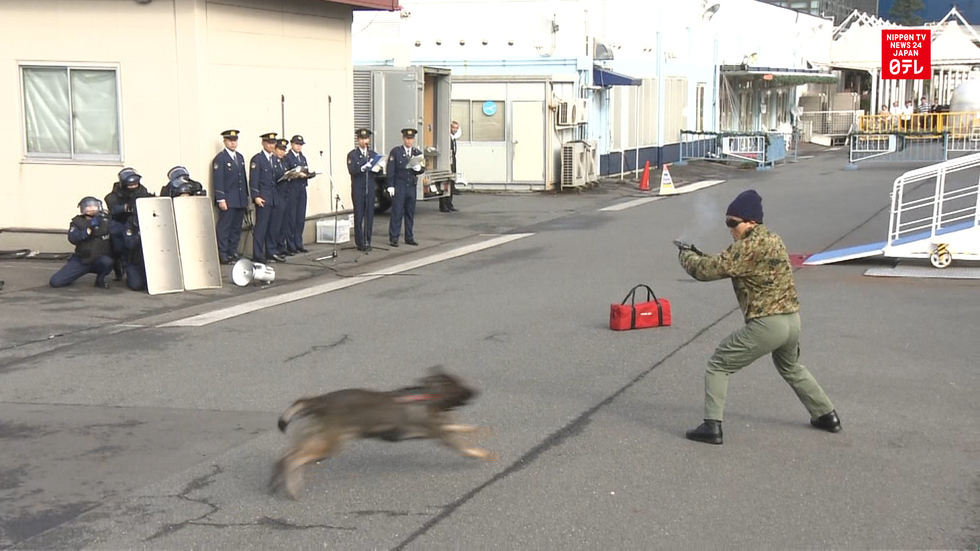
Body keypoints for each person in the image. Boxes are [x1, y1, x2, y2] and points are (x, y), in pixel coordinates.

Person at [677, 189, 841, 445]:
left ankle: (712, 426)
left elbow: (705, 271)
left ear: (751, 222)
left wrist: (686, 255)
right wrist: (701, 254)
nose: (730, 229)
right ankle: (826, 415)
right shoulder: (773, 239)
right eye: (727, 223)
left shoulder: (747, 247)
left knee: (718, 364)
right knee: (791, 366)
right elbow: (728, 262)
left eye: (733, 223)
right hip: (791, 321)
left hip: (768, 324)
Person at [49, 197, 114, 289]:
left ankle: (101, 279)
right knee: (55, 282)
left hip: (99, 259)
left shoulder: (106, 220)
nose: (91, 209)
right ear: (83, 209)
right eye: (88, 207)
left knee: (107, 262)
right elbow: (73, 238)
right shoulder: (77, 222)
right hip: (82, 259)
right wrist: (88, 230)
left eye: (94, 206)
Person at [105, 167, 152, 280]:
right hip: (119, 223)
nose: (133, 187)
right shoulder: (113, 196)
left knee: (136, 247)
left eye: (135, 184)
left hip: (137, 222)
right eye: (130, 185)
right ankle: (118, 268)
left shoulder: (142, 191)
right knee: (118, 248)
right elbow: (113, 209)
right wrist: (126, 207)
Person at [212, 129, 249, 265]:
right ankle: (223, 253)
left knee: (236, 228)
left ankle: (233, 251)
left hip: (239, 199)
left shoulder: (239, 157)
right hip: (228, 199)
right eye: (230, 140)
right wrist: (221, 198)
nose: (233, 143)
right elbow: (218, 180)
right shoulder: (220, 159)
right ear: (225, 141)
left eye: (235, 140)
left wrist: (245, 198)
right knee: (225, 227)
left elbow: (243, 180)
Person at [249, 132, 286, 263]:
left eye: (273, 143)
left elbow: (278, 178)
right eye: (269, 143)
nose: (271, 145)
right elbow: (254, 180)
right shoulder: (257, 159)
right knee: (261, 227)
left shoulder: (275, 159)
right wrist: (256, 196)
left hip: (274, 197)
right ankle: (257, 254)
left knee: (273, 227)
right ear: (263, 143)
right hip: (263, 197)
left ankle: (271, 251)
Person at [387, 128, 425, 247]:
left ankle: (409, 236)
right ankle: (394, 237)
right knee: (397, 212)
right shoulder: (396, 152)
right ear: (403, 139)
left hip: (411, 186)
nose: (409, 141)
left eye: (411, 139)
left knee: (410, 212)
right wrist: (390, 185)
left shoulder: (417, 153)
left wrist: (419, 169)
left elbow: (423, 168)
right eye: (407, 138)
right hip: (400, 185)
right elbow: (390, 170)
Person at [347, 128, 380, 252]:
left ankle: (368, 240)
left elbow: (378, 171)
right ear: (358, 140)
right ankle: (360, 242)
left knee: (369, 215)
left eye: (366, 138)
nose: (364, 141)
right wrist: (362, 168)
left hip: (370, 187)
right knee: (359, 215)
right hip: (358, 188)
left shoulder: (372, 154)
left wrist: (377, 168)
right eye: (361, 139)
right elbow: (352, 170)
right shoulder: (353, 155)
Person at [281, 134, 314, 255]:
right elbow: (286, 173)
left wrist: (309, 174)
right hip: (292, 189)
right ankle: (291, 245)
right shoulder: (288, 157)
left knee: (300, 218)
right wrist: (296, 175)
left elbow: (305, 170)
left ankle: (299, 243)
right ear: (292, 144)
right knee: (291, 218)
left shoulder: (302, 157)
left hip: (301, 188)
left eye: (300, 145)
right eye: (297, 144)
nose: (299, 147)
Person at [271, 138, 291, 258]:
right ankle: (275, 248)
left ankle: (281, 246)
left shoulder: (283, 162)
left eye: (284, 150)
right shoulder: (273, 161)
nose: (282, 152)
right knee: (276, 224)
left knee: (284, 223)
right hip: (276, 195)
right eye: (279, 149)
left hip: (285, 194)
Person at [439, 120, 461, 213]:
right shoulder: (447, 138)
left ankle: (449, 204)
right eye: (453, 127)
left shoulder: (453, 138)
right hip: (447, 163)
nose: (455, 130)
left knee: (451, 184)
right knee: (445, 184)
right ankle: (443, 205)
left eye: (456, 128)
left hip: (452, 163)